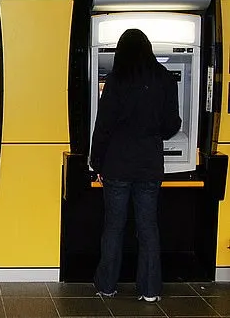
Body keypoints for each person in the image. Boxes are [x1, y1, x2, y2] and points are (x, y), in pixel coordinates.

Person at [90, 28, 181, 302]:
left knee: (114, 227)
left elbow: (103, 126)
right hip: (149, 164)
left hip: (117, 165)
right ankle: (150, 290)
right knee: (148, 228)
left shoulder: (117, 80)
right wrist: (154, 134)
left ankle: (107, 285)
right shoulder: (165, 79)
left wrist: (97, 162)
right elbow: (172, 124)